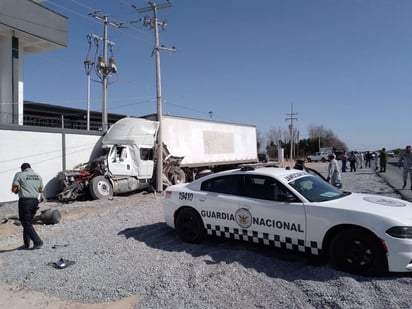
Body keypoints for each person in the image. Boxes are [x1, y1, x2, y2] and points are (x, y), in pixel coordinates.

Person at [11, 163, 44, 249]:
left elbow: (14, 189)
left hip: (25, 202)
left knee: (25, 223)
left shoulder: (20, 175)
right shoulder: (38, 176)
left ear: (22, 169)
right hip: (35, 201)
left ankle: (38, 242)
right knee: (28, 222)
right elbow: (40, 190)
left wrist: (18, 189)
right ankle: (26, 244)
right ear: (30, 168)